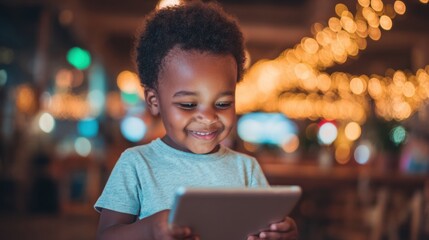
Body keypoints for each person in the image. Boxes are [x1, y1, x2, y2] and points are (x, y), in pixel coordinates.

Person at [94, 1, 299, 239]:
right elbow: (105, 236)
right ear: (153, 100)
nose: (208, 117)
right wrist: (149, 229)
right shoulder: (136, 165)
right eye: (188, 105)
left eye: (222, 104)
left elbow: (264, 226)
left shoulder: (247, 169)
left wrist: (284, 234)